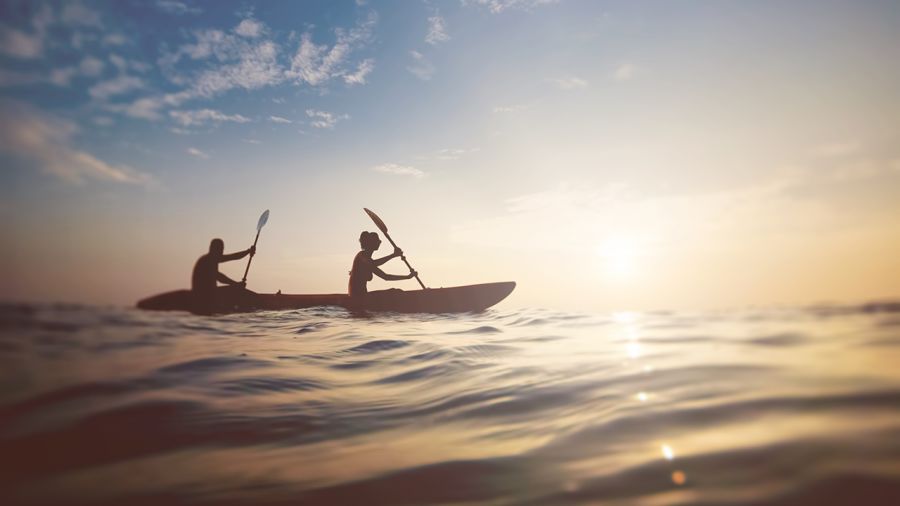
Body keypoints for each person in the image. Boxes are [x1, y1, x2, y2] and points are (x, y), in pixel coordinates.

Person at [349, 231, 416, 298]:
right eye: (377, 240)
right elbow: (374, 263)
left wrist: (408, 277)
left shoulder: (368, 262)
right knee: (394, 292)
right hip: (358, 296)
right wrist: (393, 255)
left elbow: (386, 277)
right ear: (371, 243)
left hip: (363, 295)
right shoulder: (361, 256)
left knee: (395, 291)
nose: (380, 242)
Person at [191, 238, 256, 305]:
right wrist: (236, 285)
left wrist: (248, 251)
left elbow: (233, 257)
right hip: (205, 294)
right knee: (235, 289)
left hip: (209, 292)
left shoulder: (212, 258)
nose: (221, 251)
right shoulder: (207, 260)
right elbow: (219, 277)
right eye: (219, 249)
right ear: (212, 249)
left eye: (222, 249)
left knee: (235, 288)